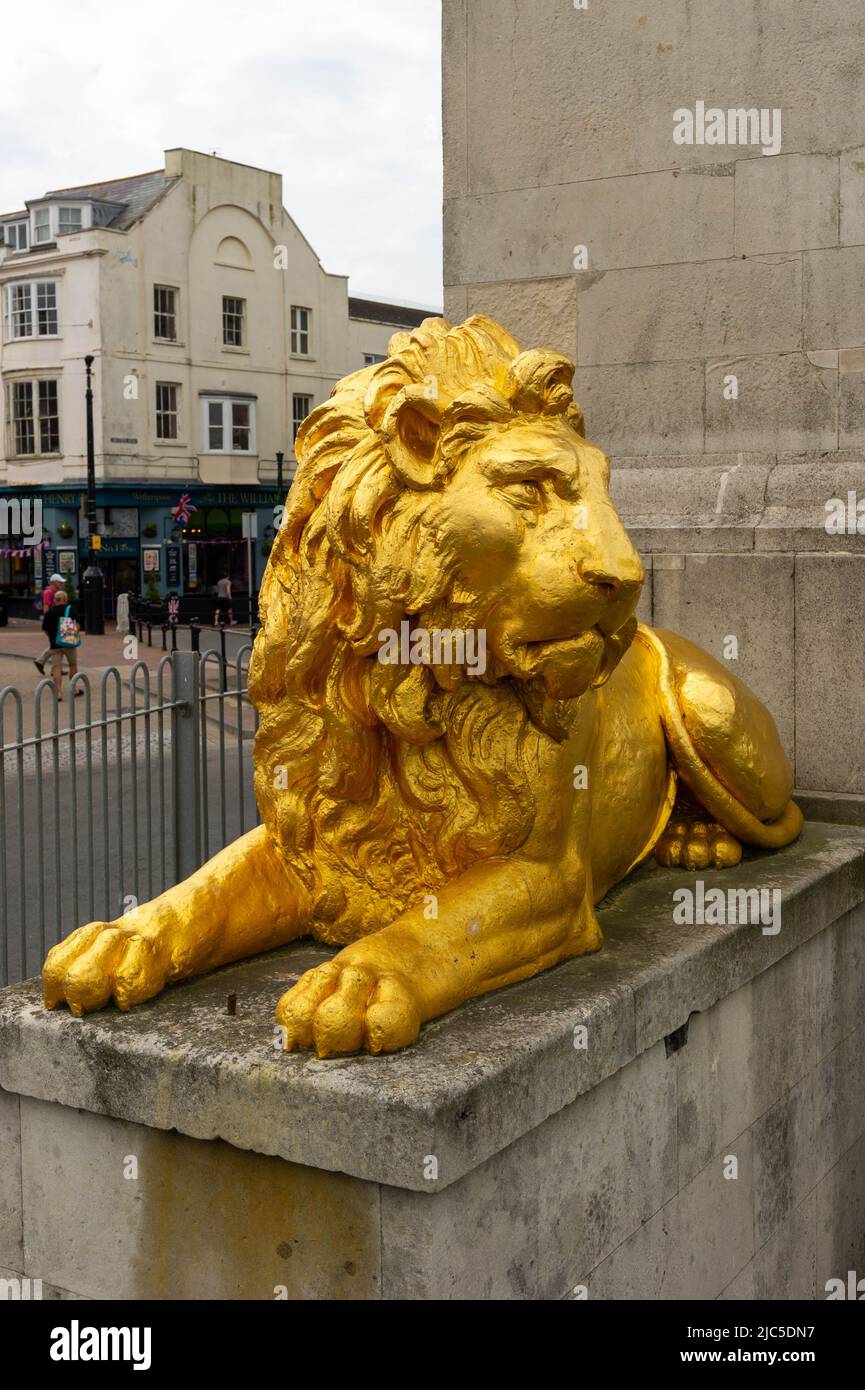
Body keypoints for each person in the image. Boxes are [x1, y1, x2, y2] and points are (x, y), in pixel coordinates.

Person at [41, 590, 84, 700]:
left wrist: (52, 637)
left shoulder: (49, 612)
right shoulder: (70, 609)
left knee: (56, 668)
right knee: (72, 665)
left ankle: (58, 693)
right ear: (65, 599)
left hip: (55, 644)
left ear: (55, 600)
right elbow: (78, 626)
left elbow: (45, 630)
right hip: (69, 642)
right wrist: (74, 635)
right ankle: (74, 689)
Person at [33, 573, 64, 674]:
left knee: (58, 644)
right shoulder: (49, 593)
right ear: (54, 582)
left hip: (56, 622)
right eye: (59, 582)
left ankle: (43, 663)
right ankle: (51, 667)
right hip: (53, 623)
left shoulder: (55, 592)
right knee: (58, 644)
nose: (61, 584)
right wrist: (48, 623)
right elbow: (46, 608)